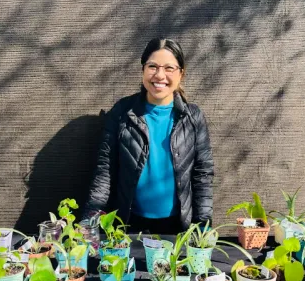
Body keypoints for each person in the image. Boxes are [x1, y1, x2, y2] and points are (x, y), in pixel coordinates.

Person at [84, 38, 214, 234]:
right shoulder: (122, 113)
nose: (159, 75)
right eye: (152, 66)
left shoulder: (192, 117)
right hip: (128, 224)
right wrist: (90, 222)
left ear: (181, 74)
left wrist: (202, 227)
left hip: (177, 226)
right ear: (143, 69)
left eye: (169, 68)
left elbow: (202, 174)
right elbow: (105, 171)